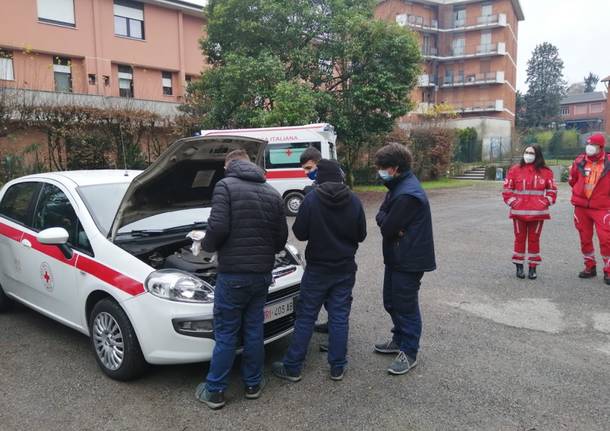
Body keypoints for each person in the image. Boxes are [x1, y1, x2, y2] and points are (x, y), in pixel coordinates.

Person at [195, 149, 288, 410]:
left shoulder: (225, 186)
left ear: (229, 165)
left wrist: (206, 246)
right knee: (254, 329)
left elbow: (218, 227)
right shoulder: (272, 192)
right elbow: (281, 239)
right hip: (261, 276)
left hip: (233, 275)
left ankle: (214, 391)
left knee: (226, 333)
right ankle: (253, 384)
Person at [272, 159, 367, 381]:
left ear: (321, 176)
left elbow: (301, 232)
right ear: (340, 176)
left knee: (306, 316)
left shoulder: (312, 199)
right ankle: (337, 366)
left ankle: (293, 367)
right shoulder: (353, 199)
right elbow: (361, 235)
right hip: (344, 267)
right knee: (339, 316)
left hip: (317, 268)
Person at [373, 143, 436, 375]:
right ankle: (399, 339)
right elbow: (382, 215)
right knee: (390, 301)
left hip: (408, 258)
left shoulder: (407, 194)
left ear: (394, 168)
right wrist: (387, 220)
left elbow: (387, 227)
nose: (378, 171)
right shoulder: (397, 186)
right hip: (397, 255)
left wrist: (388, 222)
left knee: (405, 305)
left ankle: (409, 352)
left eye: (381, 167)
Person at [502, 145, 557, 280]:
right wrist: (513, 202)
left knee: (534, 240)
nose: (527, 155)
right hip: (518, 212)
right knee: (519, 239)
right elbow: (507, 189)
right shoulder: (515, 170)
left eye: (531, 153)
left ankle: (533, 267)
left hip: (538, 213)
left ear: (537, 155)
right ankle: (519, 267)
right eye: (526, 152)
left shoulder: (546, 172)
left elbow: (552, 190)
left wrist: (544, 203)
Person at [569, 133, 610, 284]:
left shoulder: (609, 162)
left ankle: (608, 270)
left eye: (593, 145)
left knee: (606, 239)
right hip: (581, 207)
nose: (589, 147)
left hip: (602, 207)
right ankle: (589, 266)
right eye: (588, 144)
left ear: (601, 147)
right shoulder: (579, 160)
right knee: (585, 238)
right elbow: (572, 180)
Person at [299, 146, 329, 335]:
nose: (307, 173)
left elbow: (301, 231)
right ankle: (334, 332)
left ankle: (296, 356)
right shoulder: (335, 182)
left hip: (321, 253)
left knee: (309, 301)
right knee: (335, 300)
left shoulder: (316, 191)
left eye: (309, 168)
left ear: (318, 163)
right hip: (340, 255)